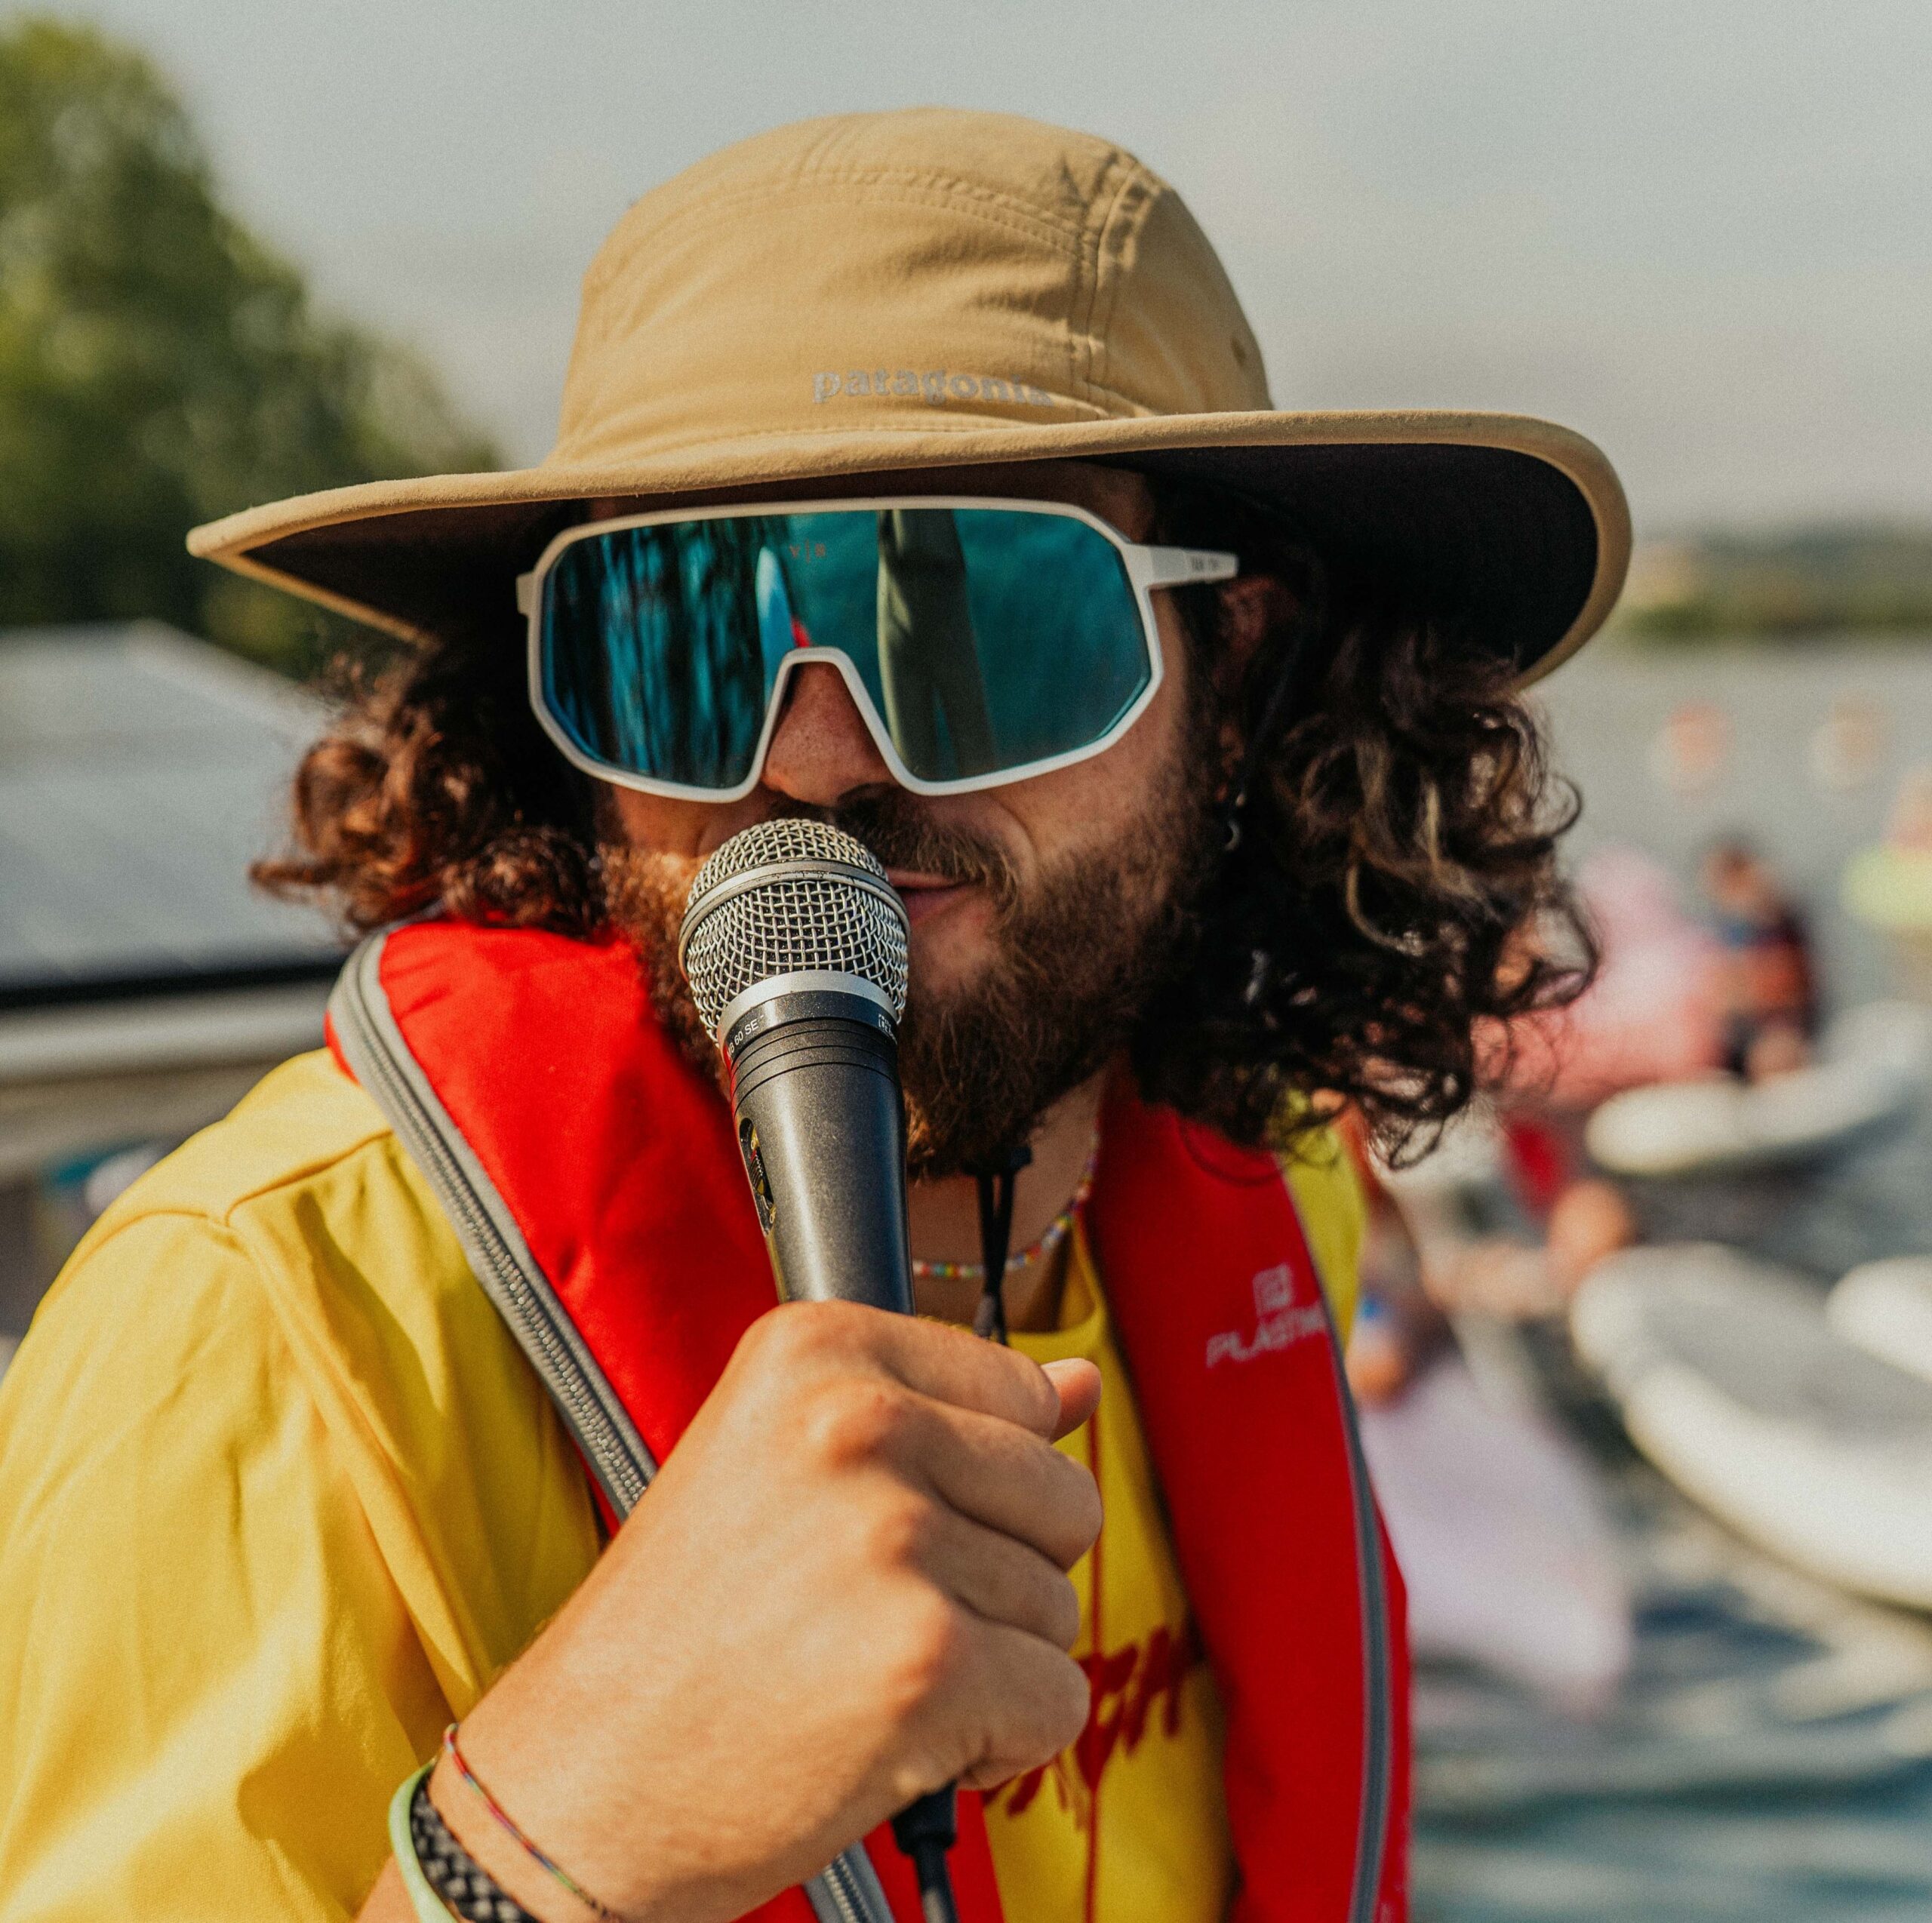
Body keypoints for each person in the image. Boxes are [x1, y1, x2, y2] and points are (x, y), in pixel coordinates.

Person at [0, 110, 1626, 1923]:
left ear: (1229, 670)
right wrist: (538, 1846)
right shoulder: (254, 1323)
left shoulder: (1273, 1182)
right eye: (684, 638)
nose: (812, 759)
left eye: (964, 619)